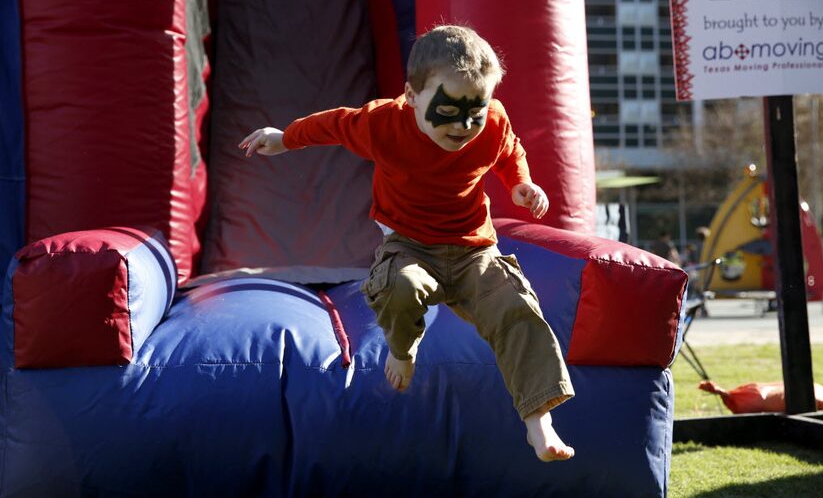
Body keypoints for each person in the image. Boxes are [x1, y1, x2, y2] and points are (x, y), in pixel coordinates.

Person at [238, 25, 575, 462]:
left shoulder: (491, 122)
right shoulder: (384, 123)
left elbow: (509, 151)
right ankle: (402, 349)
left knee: (516, 308)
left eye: (475, 111)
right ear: (412, 96)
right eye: (449, 110)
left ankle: (538, 423)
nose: (463, 126)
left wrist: (521, 185)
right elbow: (334, 125)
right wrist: (285, 137)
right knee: (400, 287)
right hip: (409, 244)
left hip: (475, 247)